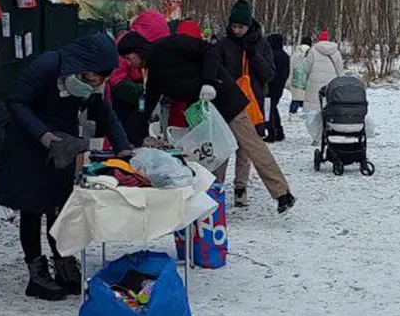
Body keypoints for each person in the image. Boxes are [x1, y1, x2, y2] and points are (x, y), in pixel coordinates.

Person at [0, 34, 132, 301]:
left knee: (60, 207)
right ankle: (36, 271)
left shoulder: (88, 84)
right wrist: (44, 136)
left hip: (63, 147)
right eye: (94, 78)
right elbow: (17, 103)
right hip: (30, 144)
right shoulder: (47, 66)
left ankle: (63, 262)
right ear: (81, 66)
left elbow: (104, 112)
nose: (97, 84)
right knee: (32, 209)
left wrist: (123, 148)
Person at [117, 30, 296, 214]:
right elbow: (145, 106)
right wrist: (130, 138)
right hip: (203, 112)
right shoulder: (152, 75)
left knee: (251, 144)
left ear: (138, 50)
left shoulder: (170, 45)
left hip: (224, 98)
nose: (129, 63)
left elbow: (208, 51)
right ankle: (211, 198)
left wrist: (209, 82)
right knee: (209, 155)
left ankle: (282, 193)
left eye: (129, 58)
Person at [107, 11, 169, 146]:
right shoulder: (125, 45)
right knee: (124, 126)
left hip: (140, 89)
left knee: (141, 119)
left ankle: (139, 140)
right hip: (124, 91)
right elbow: (116, 77)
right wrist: (140, 91)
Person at [217, 0, 274, 130]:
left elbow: (269, 75)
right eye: (234, 26)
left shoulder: (262, 45)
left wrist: (254, 56)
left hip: (254, 103)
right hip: (229, 103)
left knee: (252, 147)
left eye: (240, 27)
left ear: (248, 26)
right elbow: (216, 70)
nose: (236, 30)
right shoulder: (223, 44)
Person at [302, 31, 344, 113]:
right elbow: (340, 70)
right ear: (328, 39)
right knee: (328, 106)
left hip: (314, 84)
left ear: (319, 40)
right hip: (331, 83)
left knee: (313, 110)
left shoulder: (313, 51)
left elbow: (306, 68)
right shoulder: (336, 52)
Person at [265, 34, 290, 142]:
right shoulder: (285, 55)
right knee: (273, 108)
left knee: (269, 109)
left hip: (270, 85)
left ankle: (272, 132)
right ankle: (279, 131)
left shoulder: (271, 55)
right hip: (279, 85)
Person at [287, 36, 312, 115]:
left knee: (295, 99)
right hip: (307, 82)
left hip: (295, 81)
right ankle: (306, 116)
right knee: (306, 101)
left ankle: (291, 113)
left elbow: (290, 67)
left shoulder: (295, 53)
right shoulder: (311, 54)